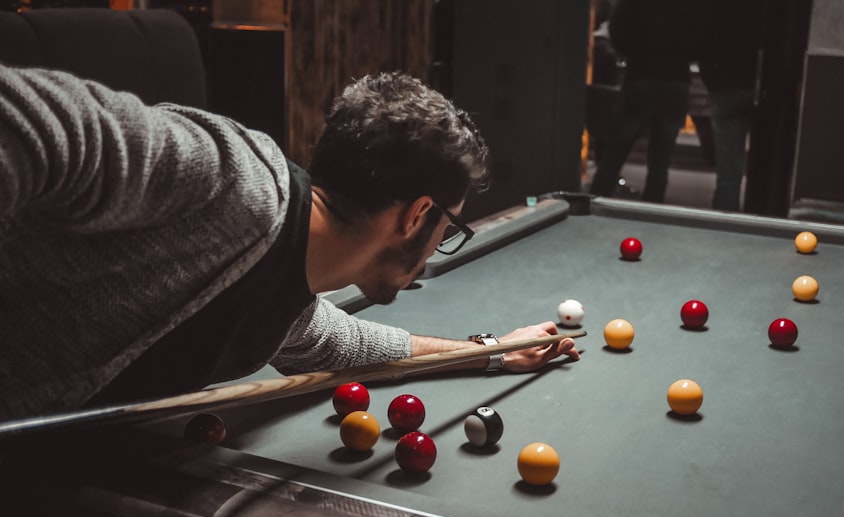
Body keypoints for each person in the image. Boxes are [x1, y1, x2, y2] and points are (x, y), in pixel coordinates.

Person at [0, 65, 580, 420]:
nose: (435, 247)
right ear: (417, 216)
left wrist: (491, 350)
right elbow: (25, 116)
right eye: (446, 228)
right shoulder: (229, 179)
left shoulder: (286, 286)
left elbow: (344, 345)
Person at [588, 0, 706, 203]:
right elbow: (701, 36)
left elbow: (618, 30)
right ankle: (652, 209)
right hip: (676, 76)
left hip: (642, 73)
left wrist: (631, 53)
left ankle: (595, 204)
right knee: (661, 158)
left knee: (616, 150)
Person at [698, 0, 763, 211]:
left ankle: (725, 216)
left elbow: (703, 42)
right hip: (761, 86)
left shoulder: (716, 7)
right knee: (767, 162)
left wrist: (712, 80)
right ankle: (761, 211)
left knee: (728, 168)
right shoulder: (763, 9)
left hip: (725, 85)